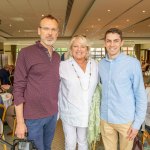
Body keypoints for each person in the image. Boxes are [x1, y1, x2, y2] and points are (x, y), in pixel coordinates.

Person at [13, 14, 60, 150]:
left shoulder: (57, 57)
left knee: (47, 147)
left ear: (57, 33)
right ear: (39, 31)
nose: (50, 33)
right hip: (33, 117)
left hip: (52, 114)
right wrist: (20, 122)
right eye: (46, 29)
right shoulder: (25, 53)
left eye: (53, 29)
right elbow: (18, 88)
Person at [98, 28, 147, 150]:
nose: (112, 44)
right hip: (105, 119)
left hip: (126, 120)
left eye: (116, 41)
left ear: (121, 42)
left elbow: (140, 95)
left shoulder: (132, 63)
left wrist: (137, 124)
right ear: (105, 43)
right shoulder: (101, 64)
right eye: (109, 41)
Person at [59, 35, 98, 150]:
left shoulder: (95, 65)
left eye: (82, 46)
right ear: (71, 49)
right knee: (70, 142)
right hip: (69, 111)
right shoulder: (63, 66)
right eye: (75, 46)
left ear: (87, 49)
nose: (79, 49)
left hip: (88, 112)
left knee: (83, 142)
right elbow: (56, 88)